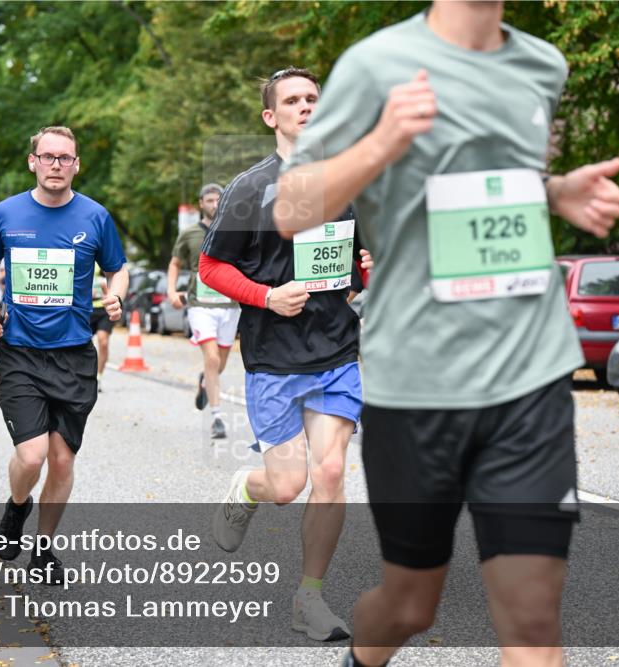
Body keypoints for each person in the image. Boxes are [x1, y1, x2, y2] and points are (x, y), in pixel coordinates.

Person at [275, 3, 619, 665]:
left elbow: (487, 177)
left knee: (532, 620)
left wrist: (554, 193)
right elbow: (291, 210)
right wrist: (382, 141)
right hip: (418, 383)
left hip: (530, 373)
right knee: (410, 606)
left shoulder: (542, 64)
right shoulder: (375, 66)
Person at [199, 67, 370, 642]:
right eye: (293, 100)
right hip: (274, 356)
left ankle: (309, 598)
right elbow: (211, 267)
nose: (306, 107)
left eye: (313, 98)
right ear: (271, 116)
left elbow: (357, 265)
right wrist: (266, 296)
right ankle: (247, 488)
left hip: (337, 350)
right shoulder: (250, 188)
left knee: (330, 471)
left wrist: (369, 269)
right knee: (288, 485)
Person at [0, 126, 129, 582]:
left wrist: (116, 295)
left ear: (76, 165)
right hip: (20, 352)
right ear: (33, 162)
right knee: (32, 456)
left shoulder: (96, 216)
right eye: (48, 157)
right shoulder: (5, 213)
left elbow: (118, 269)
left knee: (62, 460)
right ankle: (16, 507)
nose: (56, 165)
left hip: (75, 356)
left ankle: (43, 550)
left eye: (65, 158)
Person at [168, 183, 239, 438]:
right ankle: (217, 418)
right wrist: (171, 291)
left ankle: (204, 381)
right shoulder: (189, 234)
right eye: (209, 200)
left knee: (219, 363)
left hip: (230, 305)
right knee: (212, 358)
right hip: (200, 305)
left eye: (218, 200)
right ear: (201, 203)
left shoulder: (234, 231)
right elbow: (175, 264)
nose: (214, 204)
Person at [89, 265, 114, 391]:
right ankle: (87, 375)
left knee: (103, 341)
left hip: (104, 308)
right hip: (87, 308)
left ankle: (98, 377)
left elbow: (117, 277)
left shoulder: (106, 259)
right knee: (85, 344)